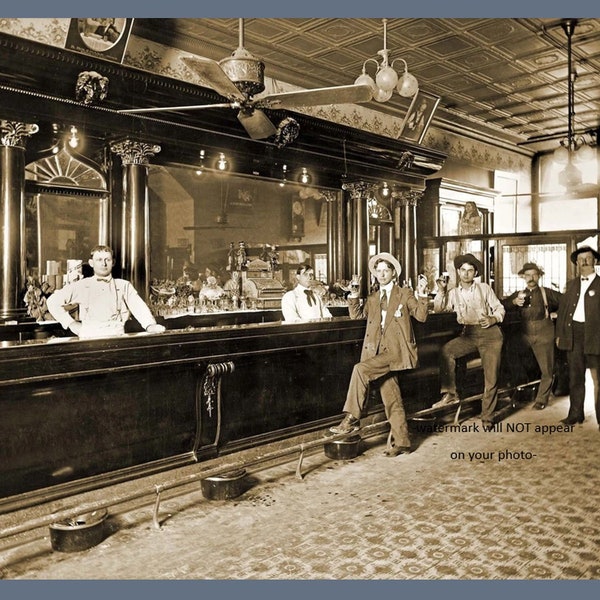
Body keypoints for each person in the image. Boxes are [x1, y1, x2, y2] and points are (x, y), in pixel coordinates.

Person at [329, 252, 429, 457]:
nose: (382, 274)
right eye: (378, 271)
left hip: (396, 351)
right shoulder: (373, 298)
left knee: (360, 369)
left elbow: (421, 316)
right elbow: (356, 314)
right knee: (391, 394)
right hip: (377, 351)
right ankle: (403, 442)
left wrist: (422, 293)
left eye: (386, 270)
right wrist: (354, 295)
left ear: (393, 273)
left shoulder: (404, 293)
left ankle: (352, 418)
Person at [433, 253, 505, 428]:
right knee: (447, 351)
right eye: (463, 270)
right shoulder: (453, 293)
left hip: (491, 335)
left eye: (470, 270)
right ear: (458, 272)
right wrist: (441, 290)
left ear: (475, 273)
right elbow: (438, 309)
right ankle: (450, 392)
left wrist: (493, 319)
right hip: (469, 334)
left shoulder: (484, 288)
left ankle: (487, 416)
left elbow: (500, 308)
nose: (466, 274)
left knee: (491, 377)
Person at [46, 245, 166, 339]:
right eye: (99, 260)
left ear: (112, 262)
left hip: (117, 337)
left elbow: (139, 307)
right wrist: (71, 324)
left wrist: (150, 325)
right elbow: (52, 302)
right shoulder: (82, 285)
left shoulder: (123, 285)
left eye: (107, 259)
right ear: (91, 263)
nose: (103, 264)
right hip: (89, 339)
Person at [502, 262, 562, 410]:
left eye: (534, 274)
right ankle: (521, 388)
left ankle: (541, 399)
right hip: (525, 332)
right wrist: (513, 302)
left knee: (547, 368)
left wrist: (558, 314)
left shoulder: (547, 292)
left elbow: (567, 302)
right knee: (510, 351)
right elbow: (501, 305)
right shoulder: (518, 294)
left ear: (539, 276)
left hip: (544, 331)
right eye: (528, 275)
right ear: (523, 277)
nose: (531, 278)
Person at [555, 246, 600, 428]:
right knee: (575, 377)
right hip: (574, 336)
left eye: (588, 258)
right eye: (580, 260)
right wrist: (560, 335)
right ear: (576, 263)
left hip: (596, 337)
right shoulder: (572, 284)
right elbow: (563, 313)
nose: (584, 262)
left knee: (598, 380)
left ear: (595, 261)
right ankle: (575, 414)